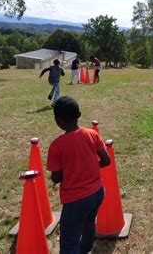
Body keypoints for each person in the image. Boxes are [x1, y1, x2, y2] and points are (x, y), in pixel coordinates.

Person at [47, 96, 111, 253]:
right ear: (79, 114)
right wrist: (90, 166)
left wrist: (69, 172)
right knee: (89, 222)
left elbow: (56, 177)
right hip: (97, 193)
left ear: (58, 120)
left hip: (76, 199)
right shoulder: (92, 134)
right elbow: (106, 160)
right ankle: (85, 250)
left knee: (69, 240)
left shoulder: (57, 146)